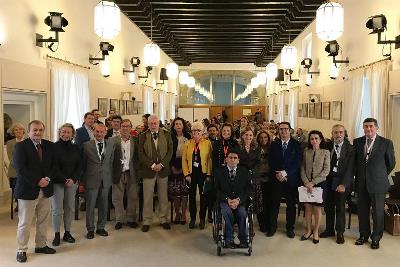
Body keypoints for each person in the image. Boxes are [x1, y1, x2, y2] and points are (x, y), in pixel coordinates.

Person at [14, 120, 57, 263]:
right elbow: (20, 168)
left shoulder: (50, 146)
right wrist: (38, 180)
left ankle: (41, 245)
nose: (38, 133)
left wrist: (48, 179)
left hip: (46, 189)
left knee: (43, 220)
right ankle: (21, 249)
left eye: (40, 130)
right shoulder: (21, 146)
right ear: (29, 132)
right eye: (35, 130)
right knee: (25, 222)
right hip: (28, 189)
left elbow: (54, 166)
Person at [354, 118, 396, 249]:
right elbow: (355, 163)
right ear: (363, 128)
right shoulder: (357, 142)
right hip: (361, 183)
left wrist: (380, 174)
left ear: (377, 127)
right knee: (362, 211)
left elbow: (391, 163)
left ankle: (376, 238)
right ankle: (363, 235)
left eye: (371, 126)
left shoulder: (386, 143)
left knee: (378, 213)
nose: (368, 129)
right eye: (366, 126)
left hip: (378, 183)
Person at [320, 124, 355, 244]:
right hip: (328, 180)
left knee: (340, 208)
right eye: (335, 132)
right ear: (332, 134)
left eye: (340, 132)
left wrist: (343, 184)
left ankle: (340, 232)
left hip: (341, 181)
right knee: (328, 206)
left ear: (344, 134)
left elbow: (351, 169)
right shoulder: (327, 145)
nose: (338, 135)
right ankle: (329, 230)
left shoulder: (350, 148)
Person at [138, 115, 173, 232]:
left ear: (159, 123)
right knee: (147, 197)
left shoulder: (167, 134)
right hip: (148, 170)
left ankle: (163, 219)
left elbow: (170, 151)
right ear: (148, 124)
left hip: (163, 170)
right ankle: (147, 220)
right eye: (151, 123)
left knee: (163, 196)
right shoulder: (143, 136)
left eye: (155, 123)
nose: (153, 125)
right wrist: (152, 165)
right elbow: (141, 153)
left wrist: (161, 164)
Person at [268, 122, 302, 238]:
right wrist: (277, 174)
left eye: (285, 129)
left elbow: (297, 163)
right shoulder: (274, 144)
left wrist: (285, 173)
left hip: (290, 180)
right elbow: (271, 161)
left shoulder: (297, 145)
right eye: (281, 129)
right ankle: (272, 227)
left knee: (291, 205)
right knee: (274, 204)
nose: (283, 131)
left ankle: (290, 228)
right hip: (276, 179)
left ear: (290, 130)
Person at [82, 124, 115, 239]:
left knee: (104, 205)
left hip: (106, 180)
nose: (99, 134)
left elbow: (111, 162)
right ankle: (90, 229)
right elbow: (83, 165)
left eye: (102, 132)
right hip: (91, 180)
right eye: (97, 131)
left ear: (106, 132)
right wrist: (82, 181)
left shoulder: (111, 145)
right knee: (90, 206)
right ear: (94, 131)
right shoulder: (86, 145)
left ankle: (101, 227)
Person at [51, 123, 82, 246]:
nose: (65, 134)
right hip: (57, 182)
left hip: (72, 182)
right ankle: (57, 234)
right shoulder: (53, 147)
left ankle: (67, 233)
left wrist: (73, 179)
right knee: (57, 210)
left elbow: (80, 166)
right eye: (63, 132)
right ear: (59, 133)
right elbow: (53, 166)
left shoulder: (76, 148)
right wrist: (64, 179)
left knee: (69, 208)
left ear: (72, 134)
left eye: (68, 132)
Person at [215, 149, 252, 248]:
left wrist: (238, 200)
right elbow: (216, 190)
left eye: (235, 158)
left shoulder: (245, 172)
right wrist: (227, 199)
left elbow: (249, 190)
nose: (232, 159)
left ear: (238, 160)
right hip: (225, 201)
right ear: (226, 159)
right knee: (226, 212)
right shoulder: (218, 172)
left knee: (242, 213)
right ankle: (229, 239)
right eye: (230, 157)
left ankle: (243, 239)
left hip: (240, 201)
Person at [300, 130, 330, 244]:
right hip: (306, 184)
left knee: (317, 209)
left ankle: (316, 231)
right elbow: (302, 167)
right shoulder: (306, 151)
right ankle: (308, 230)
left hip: (320, 184)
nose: (314, 140)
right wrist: (306, 182)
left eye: (316, 138)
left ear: (320, 139)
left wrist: (313, 182)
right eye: (312, 138)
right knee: (307, 208)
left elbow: (326, 170)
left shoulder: (326, 152)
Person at [182, 121, 213, 229]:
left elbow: (209, 160)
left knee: (203, 197)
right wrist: (186, 174)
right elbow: (184, 160)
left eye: (198, 130)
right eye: (194, 130)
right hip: (191, 174)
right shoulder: (187, 143)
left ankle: (202, 219)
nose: (196, 132)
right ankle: (193, 218)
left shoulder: (207, 143)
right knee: (192, 197)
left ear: (202, 132)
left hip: (203, 173)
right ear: (191, 132)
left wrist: (209, 174)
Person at [111, 119, 139, 230]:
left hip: (131, 172)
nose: (125, 128)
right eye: (123, 126)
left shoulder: (136, 141)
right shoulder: (113, 141)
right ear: (120, 127)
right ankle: (119, 219)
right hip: (118, 172)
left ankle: (131, 219)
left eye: (128, 126)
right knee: (117, 197)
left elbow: (138, 158)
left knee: (132, 196)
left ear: (131, 128)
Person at [238, 127, 263, 230]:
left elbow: (258, 162)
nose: (248, 137)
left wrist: (251, 171)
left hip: (254, 177)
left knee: (253, 202)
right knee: (243, 201)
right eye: (246, 135)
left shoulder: (256, 148)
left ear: (253, 137)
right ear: (242, 135)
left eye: (250, 135)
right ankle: (242, 221)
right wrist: (245, 171)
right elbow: (237, 161)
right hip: (241, 177)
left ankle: (251, 222)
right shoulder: (237, 147)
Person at [168, 117, 191, 225]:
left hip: (186, 166)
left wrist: (185, 168)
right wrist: (172, 167)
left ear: (183, 125)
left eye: (180, 124)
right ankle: (177, 213)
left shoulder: (188, 137)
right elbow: (168, 153)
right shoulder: (169, 137)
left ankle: (183, 214)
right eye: (176, 124)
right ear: (173, 126)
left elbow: (190, 154)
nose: (178, 126)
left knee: (184, 193)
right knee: (176, 193)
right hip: (173, 165)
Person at [6, 123, 26, 214]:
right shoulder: (10, 143)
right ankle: (18, 203)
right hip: (14, 171)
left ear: (23, 131)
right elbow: (11, 157)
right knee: (16, 188)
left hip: (26, 170)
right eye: (16, 130)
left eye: (20, 129)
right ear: (13, 132)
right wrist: (20, 167)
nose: (18, 131)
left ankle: (25, 204)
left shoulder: (28, 141)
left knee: (27, 186)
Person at [255, 130, 272, 233]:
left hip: (269, 179)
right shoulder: (255, 149)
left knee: (268, 203)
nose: (263, 139)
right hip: (258, 179)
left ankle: (269, 223)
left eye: (265, 137)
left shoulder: (272, 149)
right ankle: (262, 224)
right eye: (261, 137)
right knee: (260, 203)